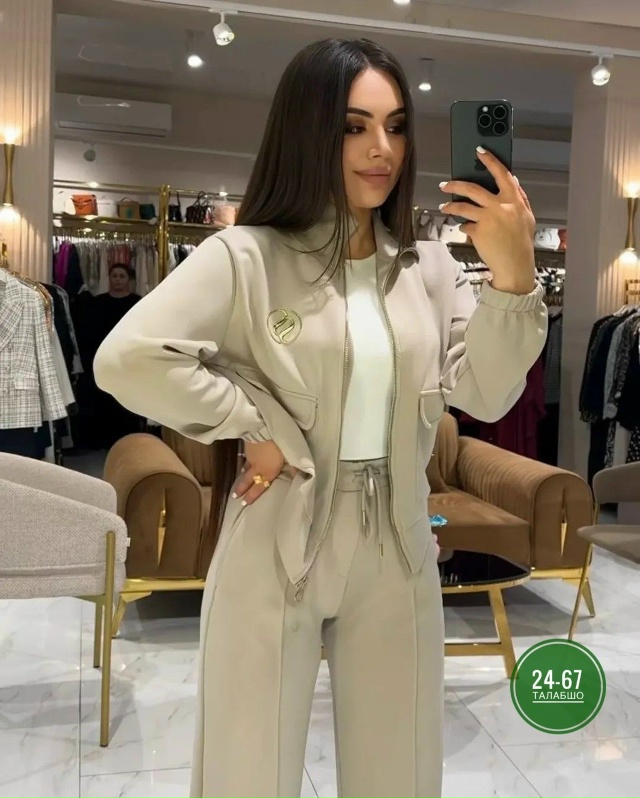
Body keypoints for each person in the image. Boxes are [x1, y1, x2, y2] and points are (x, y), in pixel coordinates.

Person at [94, 38, 547, 798]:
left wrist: (515, 274)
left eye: (395, 127)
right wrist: (256, 422)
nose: (381, 149)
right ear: (309, 132)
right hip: (277, 535)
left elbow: (490, 394)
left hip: (399, 546)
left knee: (399, 774)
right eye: (353, 127)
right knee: (248, 772)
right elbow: (127, 359)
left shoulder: (432, 268)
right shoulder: (247, 257)